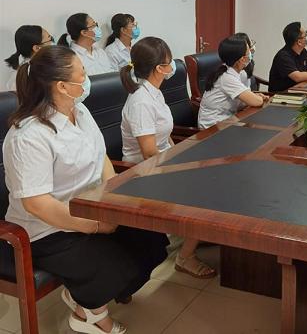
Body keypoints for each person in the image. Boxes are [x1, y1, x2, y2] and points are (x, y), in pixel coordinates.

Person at [2, 45, 169, 334]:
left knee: (150, 237)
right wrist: (95, 226)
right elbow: (37, 204)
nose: (87, 79)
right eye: (83, 74)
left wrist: (111, 201)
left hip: (91, 206)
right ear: (62, 86)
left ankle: (86, 298)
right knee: (115, 262)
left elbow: (101, 157)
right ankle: (88, 314)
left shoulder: (79, 110)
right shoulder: (28, 136)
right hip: (48, 229)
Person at [119, 37, 216, 280]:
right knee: (208, 194)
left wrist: (182, 156)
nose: (173, 66)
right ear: (159, 68)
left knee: (214, 177)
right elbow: (149, 153)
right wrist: (179, 166)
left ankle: (196, 233)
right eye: (169, 62)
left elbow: (164, 139)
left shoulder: (154, 92)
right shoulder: (141, 102)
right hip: (141, 172)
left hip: (162, 163)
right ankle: (185, 256)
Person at [198, 37, 269, 129]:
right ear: (242, 59)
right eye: (249, 51)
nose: (251, 53)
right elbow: (256, 102)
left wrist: (254, 96)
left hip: (227, 120)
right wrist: (256, 98)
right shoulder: (226, 78)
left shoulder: (233, 71)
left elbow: (242, 99)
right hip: (212, 127)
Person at [4, 24, 54, 91]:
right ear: (37, 48)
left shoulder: (42, 65)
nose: (52, 43)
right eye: (50, 39)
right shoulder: (30, 73)